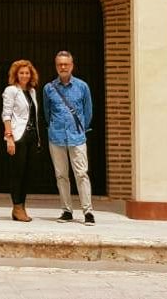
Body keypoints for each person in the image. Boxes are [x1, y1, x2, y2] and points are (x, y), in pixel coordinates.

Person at [43, 50, 94, 225]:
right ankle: (66, 211)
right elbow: (47, 112)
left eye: (66, 64)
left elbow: (88, 112)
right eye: (60, 64)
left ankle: (88, 212)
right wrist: (53, 128)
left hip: (77, 137)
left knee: (81, 174)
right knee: (61, 176)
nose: (63, 67)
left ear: (72, 66)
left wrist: (81, 129)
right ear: (56, 66)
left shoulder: (82, 87)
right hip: (56, 137)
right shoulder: (48, 88)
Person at [1, 59, 43, 222]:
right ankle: (17, 207)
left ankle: (21, 207)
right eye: (21, 73)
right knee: (17, 173)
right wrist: (9, 138)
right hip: (18, 136)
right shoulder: (11, 90)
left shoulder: (32, 91)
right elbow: (6, 114)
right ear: (16, 75)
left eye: (27, 73)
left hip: (33, 136)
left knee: (27, 174)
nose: (24, 75)